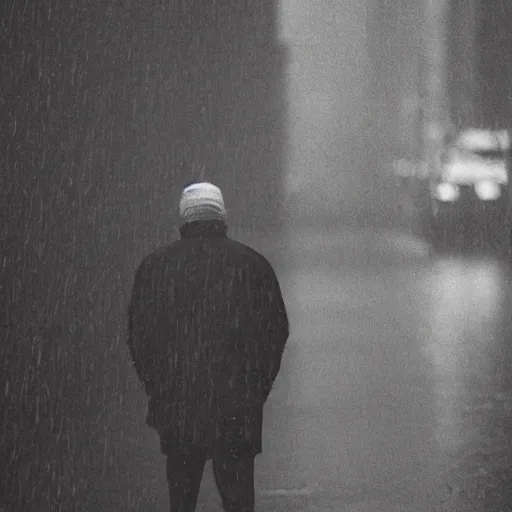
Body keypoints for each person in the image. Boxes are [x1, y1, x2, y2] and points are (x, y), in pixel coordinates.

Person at [127, 182, 289, 512]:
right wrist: (258, 385)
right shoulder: (252, 265)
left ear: (184, 221)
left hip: (179, 401)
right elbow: (276, 331)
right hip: (237, 402)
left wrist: (157, 383)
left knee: (182, 495)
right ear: (222, 219)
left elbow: (140, 334)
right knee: (238, 494)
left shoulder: (155, 267)